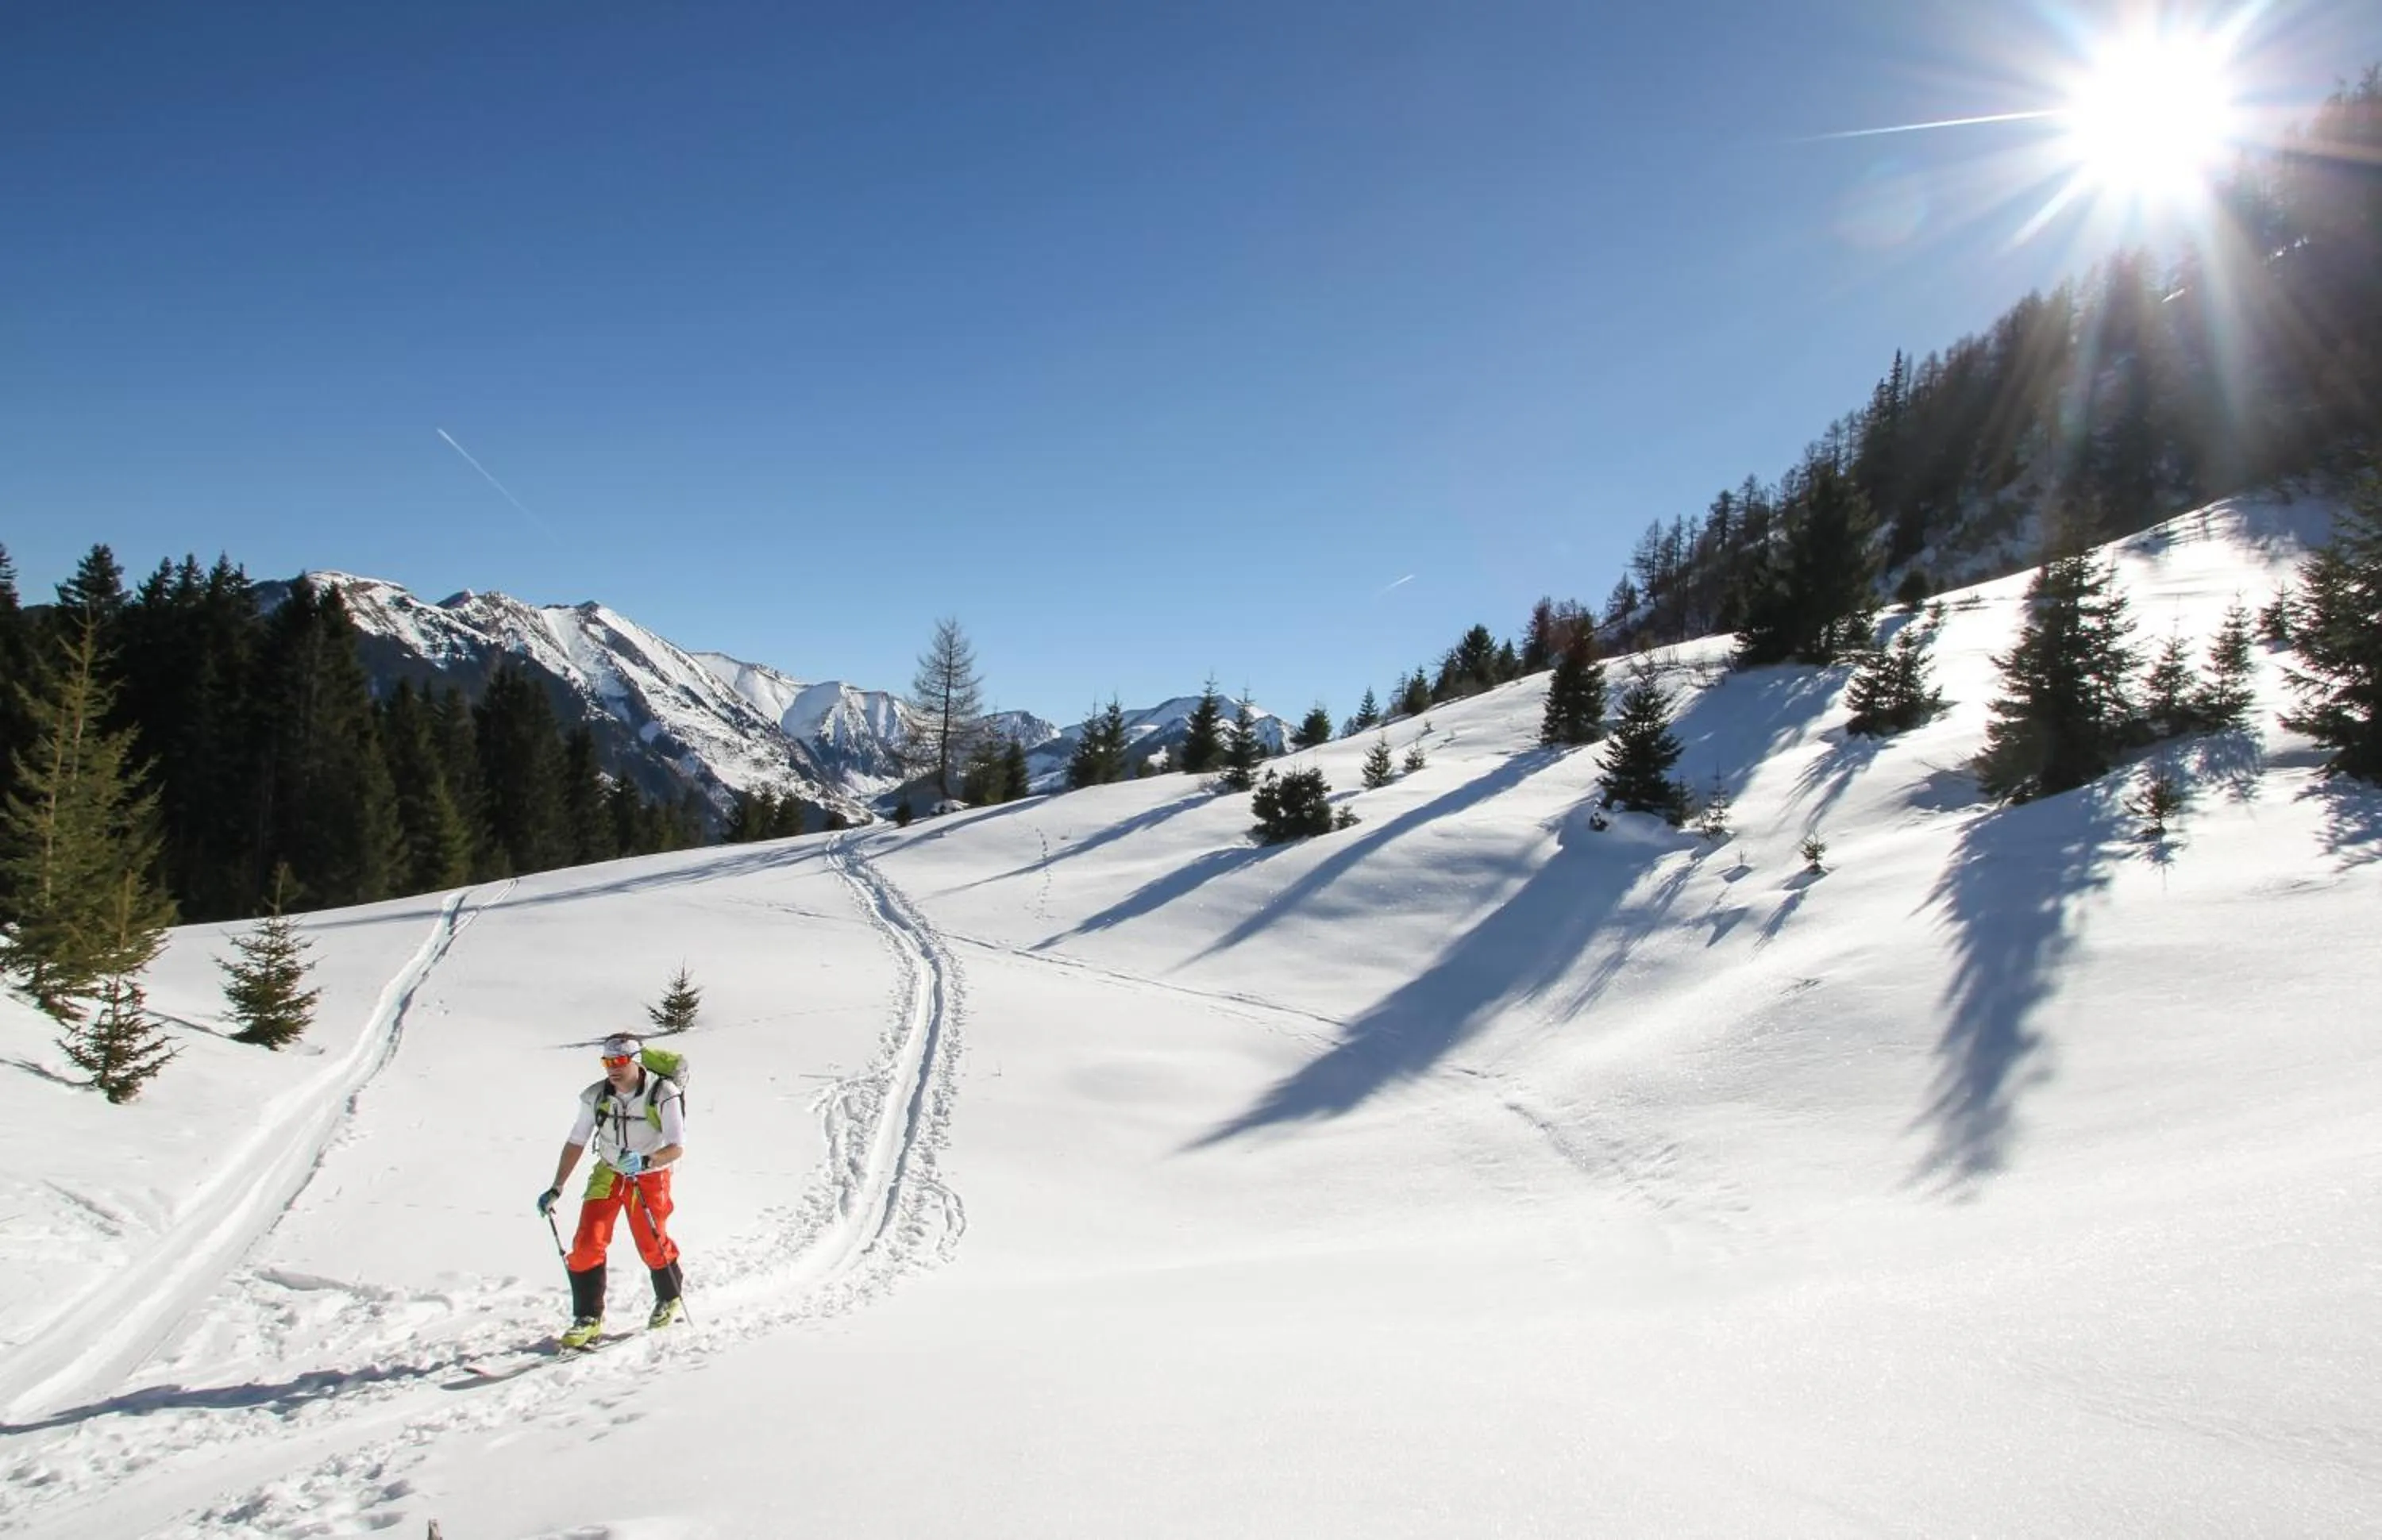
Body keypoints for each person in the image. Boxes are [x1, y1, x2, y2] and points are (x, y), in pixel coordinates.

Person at [536, 1032, 687, 1347]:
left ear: (636, 1061)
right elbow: (576, 1140)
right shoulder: (596, 1096)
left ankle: (669, 1297)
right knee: (587, 1241)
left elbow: (676, 1146)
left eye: (619, 1061)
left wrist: (646, 1161)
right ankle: (588, 1318)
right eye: (607, 1062)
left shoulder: (663, 1093)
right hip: (609, 1172)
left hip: (649, 1174)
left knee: (651, 1242)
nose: (612, 1068)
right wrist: (557, 1186)